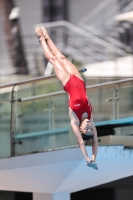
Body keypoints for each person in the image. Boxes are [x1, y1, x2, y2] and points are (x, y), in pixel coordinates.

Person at [35, 27, 98, 170]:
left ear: (81, 129)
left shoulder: (75, 120)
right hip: (78, 80)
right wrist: (94, 158)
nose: (88, 125)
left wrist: (88, 159)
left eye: (86, 128)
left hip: (67, 83)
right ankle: (47, 36)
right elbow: (95, 142)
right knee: (62, 57)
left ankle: (40, 39)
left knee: (53, 59)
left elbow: (81, 142)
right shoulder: (90, 117)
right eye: (90, 128)